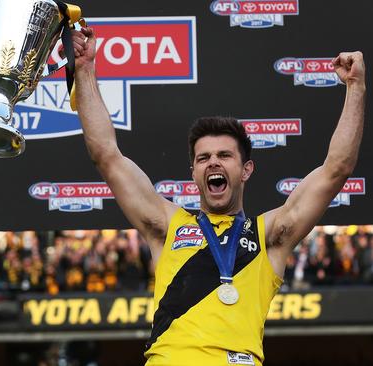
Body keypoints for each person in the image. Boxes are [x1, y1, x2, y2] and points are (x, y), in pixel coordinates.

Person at [72, 27, 365, 366]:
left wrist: (355, 87)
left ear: (246, 170)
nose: (212, 162)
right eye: (203, 158)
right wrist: (84, 69)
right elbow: (107, 155)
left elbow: (337, 168)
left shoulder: (269, 235)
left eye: (224, 155)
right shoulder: (167, 225)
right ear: (194, 173)